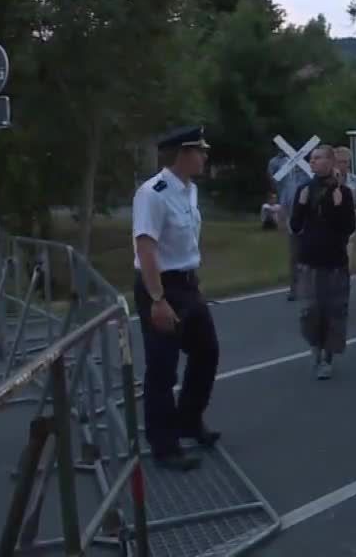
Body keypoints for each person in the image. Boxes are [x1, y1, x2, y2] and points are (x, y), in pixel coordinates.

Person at [132, 126, 218, 471]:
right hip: (161, 287)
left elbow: (184, 243)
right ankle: (164, 445)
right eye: (200, 151)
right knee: (162, 369)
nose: (205, 156)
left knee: (206, 353)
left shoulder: (189, 190)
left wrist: (194, 283)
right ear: (183, 154)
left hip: (187, 285)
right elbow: (146, 247)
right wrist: (157, 299)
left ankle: (188, 420)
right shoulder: (153, 193)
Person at [291, 145, 356, 380]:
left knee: (333, 311)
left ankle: (327, 357)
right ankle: (314, 348)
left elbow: (348, 228)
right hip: (309, 261)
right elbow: (296, 226)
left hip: (334, 262)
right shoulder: (305, 189)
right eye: (311, 159)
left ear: (330, 161)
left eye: (318, 158)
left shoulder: (343, 192)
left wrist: (338, 207)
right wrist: (300, 204)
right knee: (310, 311)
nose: (313, 162)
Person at [269, 143, 313, 300]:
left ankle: (310, 288)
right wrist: (282, 217)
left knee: (311, 256)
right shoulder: (287, 179)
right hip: (293, 223)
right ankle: (294, 289)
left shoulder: (309, 175)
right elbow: (282, 194)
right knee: (294, 256)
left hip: (310, 223)